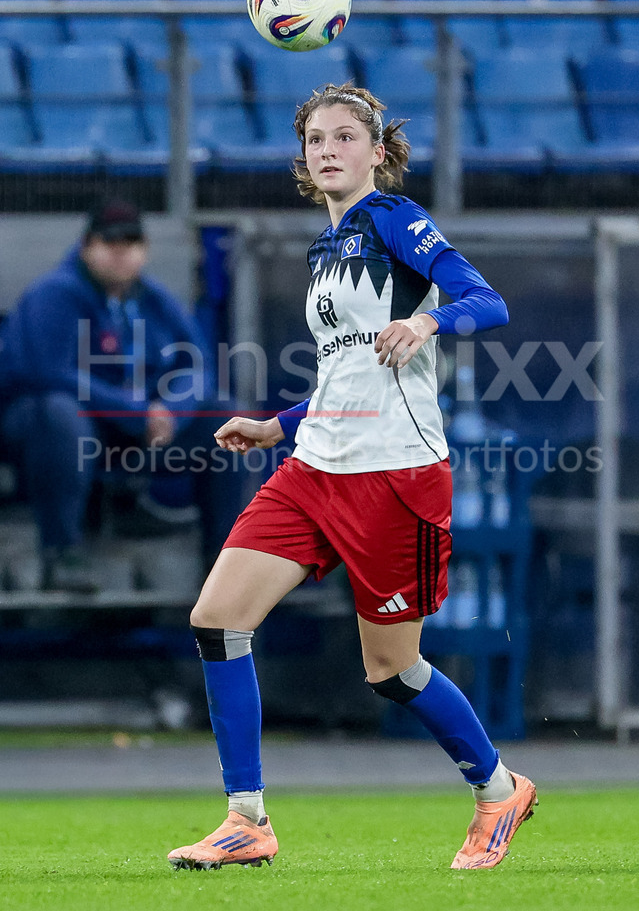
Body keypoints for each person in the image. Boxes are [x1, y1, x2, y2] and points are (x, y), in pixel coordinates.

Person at [167, 84, 537, 872]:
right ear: (302, 158)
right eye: (315, 139)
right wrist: (277, 426)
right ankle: (245, 821)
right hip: (313, 467)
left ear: (377, 151)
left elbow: (488, 301)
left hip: (395, 473)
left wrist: (427, 319)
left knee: (391, 671)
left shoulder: (393, 219)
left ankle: (498, 789)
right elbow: (345, 375)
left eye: (344, 136)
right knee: (217, 619)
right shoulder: (323, 249)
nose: (328, 149)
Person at [0, 200, 242, 591]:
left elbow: (198, 366)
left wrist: (170, 411)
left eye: (130, 242)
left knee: (225, 420)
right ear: (86, 246)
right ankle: (62, 554)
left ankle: (226, 567)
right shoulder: (55, 293)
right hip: (43, 429)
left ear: (144, 249)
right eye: (108, 242)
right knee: (61, 414)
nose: (120, 251)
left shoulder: (153, 298)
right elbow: (48, 372)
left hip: (134, 430)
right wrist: (134, 412)